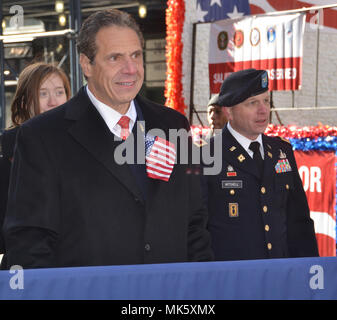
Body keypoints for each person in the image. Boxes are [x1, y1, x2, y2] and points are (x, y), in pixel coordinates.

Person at [2, 9, 212, 269]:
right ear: (86, 65)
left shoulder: (173, 125)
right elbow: (30, 241)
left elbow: (194, 224)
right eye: (115, 58)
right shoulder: (41, 136)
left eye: (136, 55)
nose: (131, 69)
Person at [202, 68, 319, 261]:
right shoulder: (207, 156)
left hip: (281, 277)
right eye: (252, 103)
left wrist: (310, 272)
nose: (263, 110)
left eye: (266, 101)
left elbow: (299, 222)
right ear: (229, 111)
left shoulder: (282, 152)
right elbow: (197, 228)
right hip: (233, 280)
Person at [0, 62, 71, 256]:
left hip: (76, 264)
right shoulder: (7, 151)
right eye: (42, 94)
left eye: (59, 92)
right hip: (28, 263)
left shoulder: (82, 146)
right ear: (24, 102)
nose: (53, 102)